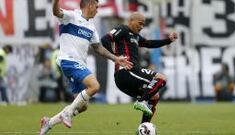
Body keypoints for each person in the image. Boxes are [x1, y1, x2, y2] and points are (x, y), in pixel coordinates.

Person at [38, 0, 133, 135]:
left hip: (79, 65)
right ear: (90, 5)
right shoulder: (71, 16)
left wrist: (116, 58)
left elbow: (98, 48)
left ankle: (49, 122)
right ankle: (67, 113)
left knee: (82, 106)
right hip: (69, 61)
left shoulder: (91, 27)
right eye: (97, 7)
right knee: (94, 86)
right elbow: (56, 12)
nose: (98, 10)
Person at [101, 12, 178, 123]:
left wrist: (168, 40)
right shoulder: (123, 29)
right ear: (131, 20)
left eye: (143, 25)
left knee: (154, 96)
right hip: (126, 73)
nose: (141, 27)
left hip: (129, 75)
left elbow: (149, 43)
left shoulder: (136, 36)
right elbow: (105, 39)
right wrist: (115, 57)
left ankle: (144, 127)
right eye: (140, 23)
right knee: (162, 78)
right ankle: (142, 101)